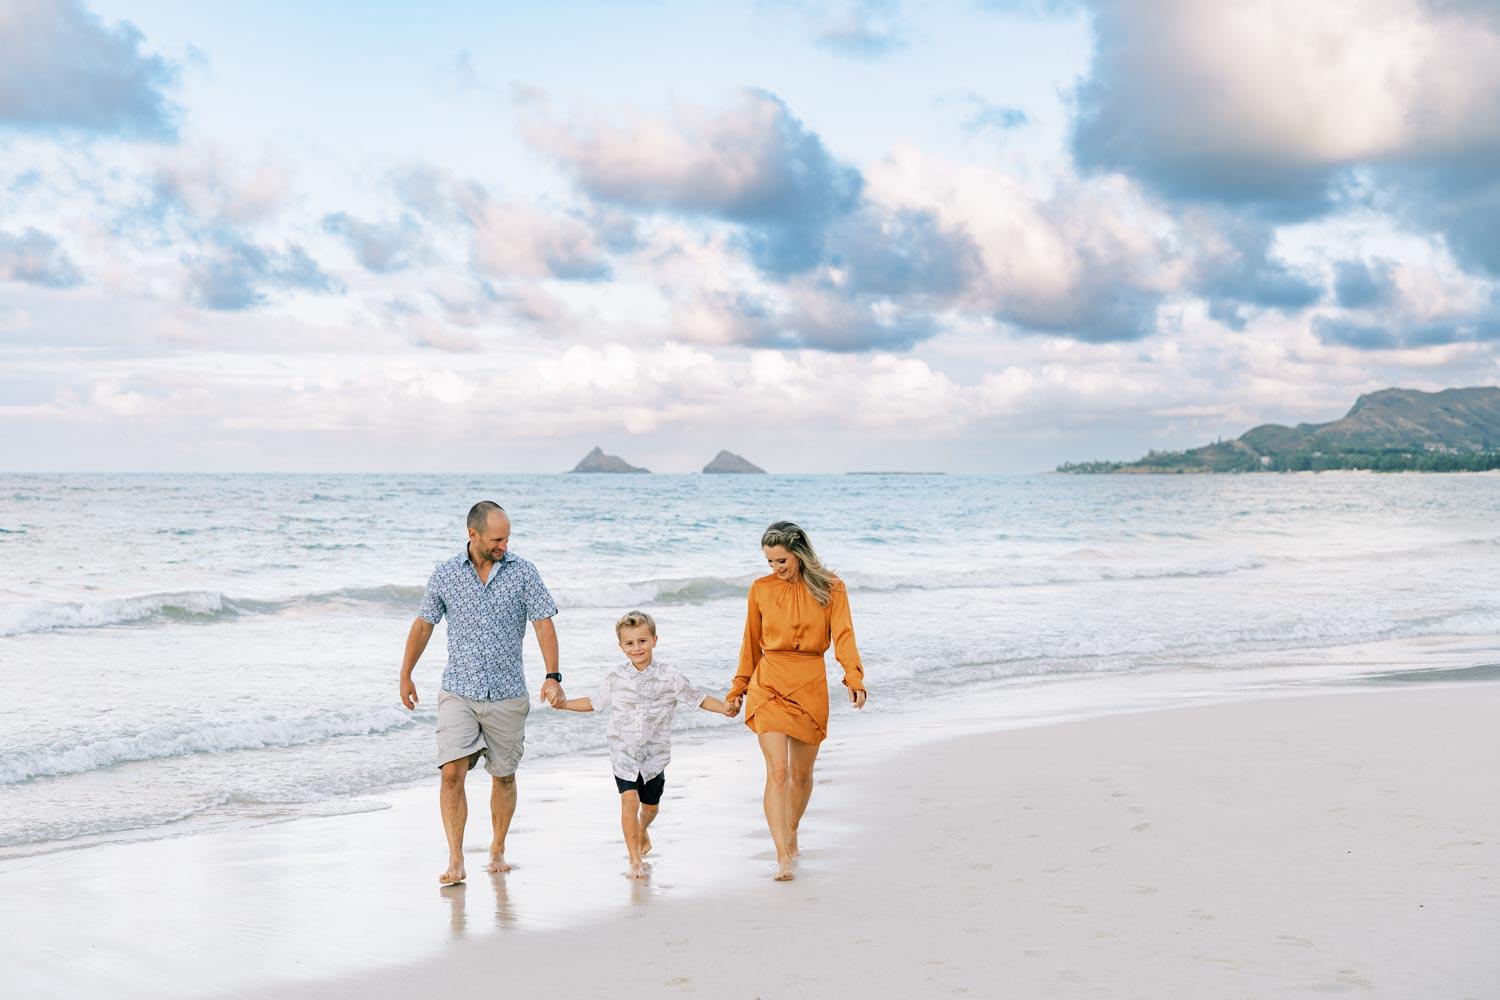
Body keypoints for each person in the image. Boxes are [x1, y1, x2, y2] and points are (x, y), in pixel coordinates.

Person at [398, 500, 564, 886]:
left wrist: (552, 675)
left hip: (508, 693)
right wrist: (406, 674)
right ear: (473, 535)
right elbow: (423, 626)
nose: (504, 544)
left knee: (504, 776)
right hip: (459, 691)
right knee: (451, 773)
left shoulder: (523, 572)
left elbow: (544, 625)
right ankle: (455, 860)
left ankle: (498, 848)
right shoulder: (445, 576)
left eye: (507, 537)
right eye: (496, 538)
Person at [725, 521, 866, 881]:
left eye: (782, 561)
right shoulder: (760, 589)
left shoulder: (832, 587)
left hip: (809, 682)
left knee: (802, 774)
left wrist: (853, 676)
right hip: (769, 681)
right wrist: (739, 687)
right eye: (770, 562)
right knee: (778, 770)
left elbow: (844, 635)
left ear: (799, 554)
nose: (775, 568)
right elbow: (750, 641)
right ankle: (782, 853)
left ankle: (791, 830)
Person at [553, 610, 736, 878]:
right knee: (629, 799)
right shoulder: (616, 677)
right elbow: (594, 703)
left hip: (655, 756)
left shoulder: (670, 675)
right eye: (630, 643)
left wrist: (725, 709)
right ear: (621, 647)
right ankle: (634, 859)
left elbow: (698, 698)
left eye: (642, 641)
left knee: (649, 807)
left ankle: (643, 828)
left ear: (654, 640)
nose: (636, 648)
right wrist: (564, 704)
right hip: (623, 752)